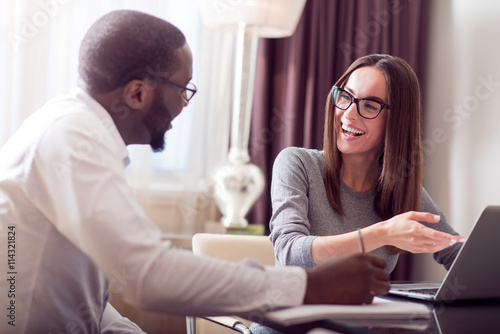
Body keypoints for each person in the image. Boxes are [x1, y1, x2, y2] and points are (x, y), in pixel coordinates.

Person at [0, 11, 390, 333]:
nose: (185, 105)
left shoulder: (82, 135)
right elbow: (148, 275)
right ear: (137, 93)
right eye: (183, 89)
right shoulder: (72, 142)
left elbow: (89, 300)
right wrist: (308, 286)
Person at [268, 54, 465, 273]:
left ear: (397, 122)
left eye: (370, 106)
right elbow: (288, 254)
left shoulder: (399, 188)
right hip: (299, 307)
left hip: (369, 308)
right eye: (345, 97)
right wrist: (381, 234)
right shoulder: (297, 164)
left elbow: (457, 253)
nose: (348, 114)